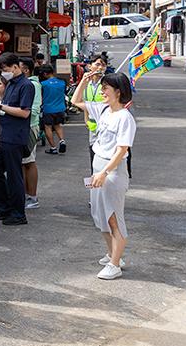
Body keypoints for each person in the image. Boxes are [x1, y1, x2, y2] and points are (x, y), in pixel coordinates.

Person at [71, 71, 136, 280]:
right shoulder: (103, 110)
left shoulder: (125, 118)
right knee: (99, 216)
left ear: (118, 91)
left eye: (105, 88)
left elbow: (121, 150)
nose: (102, 91)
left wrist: (104, 172)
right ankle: (112, 254)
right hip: (97, 167)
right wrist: (83, 80)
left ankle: (115, 264)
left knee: (113, 217)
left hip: (112, 172)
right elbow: (75, 100)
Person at [0, 53, 33, 227]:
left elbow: (24, 112)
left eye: (5, 69)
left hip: (14, 137)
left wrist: (0, 105)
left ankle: (18, 213)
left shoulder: (26, 85)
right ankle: (4, 207)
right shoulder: (11, 84)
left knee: (14, 176)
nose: (4, 72)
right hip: (2, 135)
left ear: (15, 67)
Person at [20, 57, 42, 210]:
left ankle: (32, 197)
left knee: (29, 161)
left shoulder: (33, 85)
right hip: (22, 127)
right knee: (22, 162)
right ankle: (24, 195)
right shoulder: (23, 84)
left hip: (30, 127)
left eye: (17, 67)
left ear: (26, 70)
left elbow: (33, 111)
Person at [38, 64, 68, 154]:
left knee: (48, 127)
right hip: (60, 108)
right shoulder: (62, 82)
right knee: (57, 125)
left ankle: (53, 148)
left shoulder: (43, 84)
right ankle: (62, 140)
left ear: (45, 73)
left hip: (48, 109)